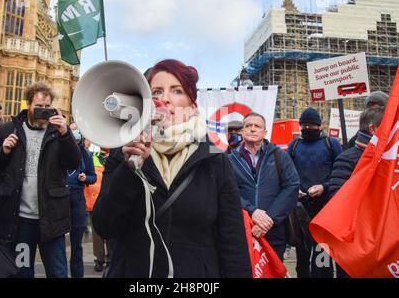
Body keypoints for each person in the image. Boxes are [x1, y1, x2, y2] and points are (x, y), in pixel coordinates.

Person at [92, 59, 251, 278]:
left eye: (177, 91)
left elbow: (232, 239)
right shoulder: (123, 153)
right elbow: (104, 225)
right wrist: (129, 171)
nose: (164, 99)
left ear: (192, 106)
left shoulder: (214, 159)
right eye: (156, 92)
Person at [0, 82, 80, 278]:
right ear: (28, 105)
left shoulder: (59, 132)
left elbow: (74, 162)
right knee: (23, 272)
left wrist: (66, 134)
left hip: (51, 221)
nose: (43, 111)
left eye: (48, 107)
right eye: (39, 106)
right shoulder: (9, 129)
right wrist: (3, 152)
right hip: (20, 222)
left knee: (57, 273)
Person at [228, 112, 300, 261]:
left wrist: (268, 219)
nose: (252, 129)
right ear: (242, 131)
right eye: (248, 126)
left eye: (257, 126)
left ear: (265, 132)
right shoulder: (229, 160)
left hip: (273, 231)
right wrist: (252, 211)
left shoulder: (279, 156)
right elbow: (227, 192)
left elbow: (291, 187)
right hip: (242, 232)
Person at [325, 106, 385, 278]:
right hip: (357, 243)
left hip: (382, 240)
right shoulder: (348, 158)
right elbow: (337, 198)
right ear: (373, 129)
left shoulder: (387, 157)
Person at [288, 107, 342, 278]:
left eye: (311, 125)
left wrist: (324, 187)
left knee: (322, 249)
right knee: (302, 250)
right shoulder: (294, 145)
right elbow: (287, 172)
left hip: (325, 207)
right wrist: (293, 189)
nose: (307, 128)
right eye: (304, 125)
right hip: (300, 207)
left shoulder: (331, 144)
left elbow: (339, 172)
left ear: (319, 126)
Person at [66, 123, 96, 278]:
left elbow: (93, 176)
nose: (76, 132)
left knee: (77, 245)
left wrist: (86, 178)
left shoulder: (85, 154)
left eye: (78, 130)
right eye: (73, 129)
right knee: (57, 245)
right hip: (60, 199)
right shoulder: (60, 150)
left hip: (77, 199)